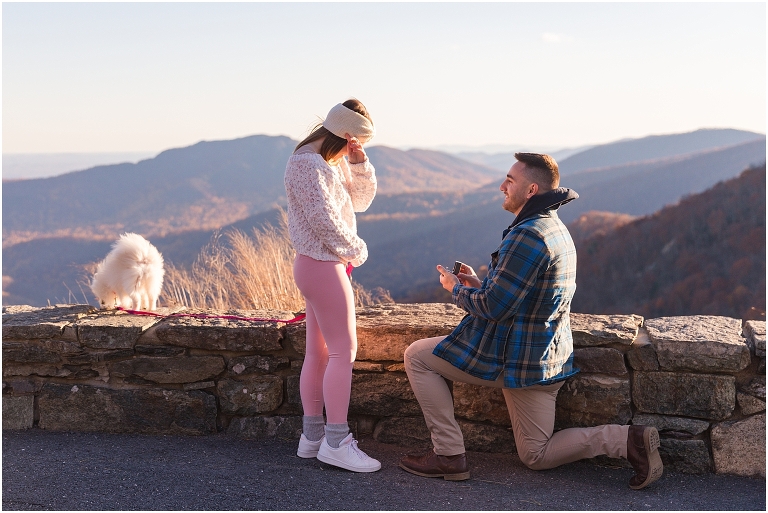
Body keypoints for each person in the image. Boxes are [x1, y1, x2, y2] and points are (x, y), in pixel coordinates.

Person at [399, 153, 663, 489]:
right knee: (535, 455)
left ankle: (448, 455)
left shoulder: (528, 235)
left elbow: (495, 308)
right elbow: (521, 296)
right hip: (547, 360)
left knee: (418, 357)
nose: (502, 187)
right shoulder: (554, 228)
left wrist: (455, 290)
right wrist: (478, 286)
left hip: (517, 360)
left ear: (531, 189)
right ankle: (627, 441)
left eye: (509, 180)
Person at [284, 99, 381, 473]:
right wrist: (357, 251)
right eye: (355, 142)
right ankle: (337, 443)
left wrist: (358, 163)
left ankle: (312, 438)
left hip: (316, 265)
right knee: (344, 352)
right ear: (344, 133)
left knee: (319, 353)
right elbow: (324, 222)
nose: (356, 148)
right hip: (324, 266)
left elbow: (360, 202)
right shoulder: (308, 165)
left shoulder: (326, 162)